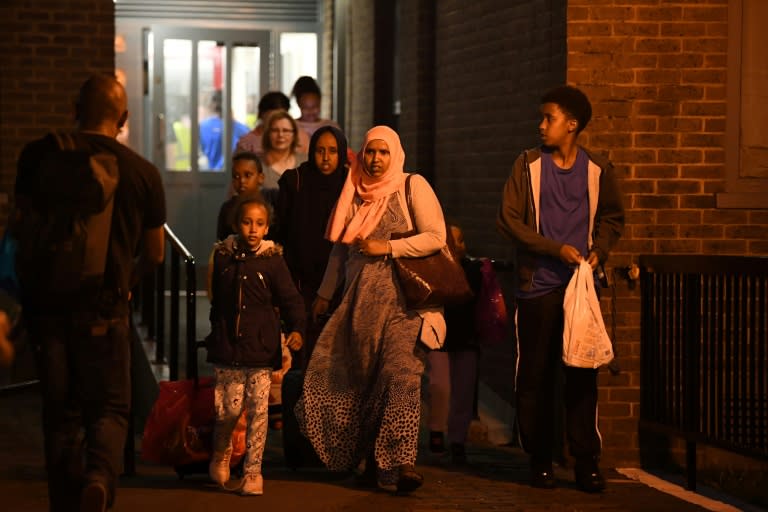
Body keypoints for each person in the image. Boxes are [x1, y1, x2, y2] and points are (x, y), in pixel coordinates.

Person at [13, 74, 166, 512]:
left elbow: (17, 229)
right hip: (105, 308)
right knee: (112, 408)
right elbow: (155, 254)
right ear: (124, 118)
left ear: (73, 108)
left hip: (48, 309)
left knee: (60, 413)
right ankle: (99, 476)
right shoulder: (142, 172)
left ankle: (64, 498)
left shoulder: (39, 156)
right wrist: (126, 283)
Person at [295, 125, 447, 493]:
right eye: (370, 153)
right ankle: (370, 461)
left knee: (401, 375)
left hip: (404, 307)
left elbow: (435, 237)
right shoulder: (354, 192)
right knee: (363, 384)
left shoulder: (413, 185)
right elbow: (339, 249)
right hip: (359, 306)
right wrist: (325, 295)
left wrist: (388, 248)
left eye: (383, 153)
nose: (376, 160)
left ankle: (401, 463)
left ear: (395, 154)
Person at [496, 85, 625, 493]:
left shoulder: (598, 168)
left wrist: (599, 252)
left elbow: (612, 218)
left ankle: (586, 461)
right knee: (535, 377)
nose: (541, 125)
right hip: (538, 287)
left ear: (572, 125)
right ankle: (540, 459)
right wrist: (555, 249)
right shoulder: (527, 166)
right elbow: (509, 220)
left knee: (582, 375)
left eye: (548, 118)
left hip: (580, 291)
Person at [205, 195, 305, 496]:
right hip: (229, 349)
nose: (253, 229)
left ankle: (253, 472)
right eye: (247, 222)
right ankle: (221, 452)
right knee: (228, 412)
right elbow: (217, 299)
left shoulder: (272, 259)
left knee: (259, 412)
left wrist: (297, 328)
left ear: (267, 227)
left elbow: (289, 298)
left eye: (259, 224)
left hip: (261, 349)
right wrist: (218, 331)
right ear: (237, 224)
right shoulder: (224, 256)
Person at [275, 125, 349, 365]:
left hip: (339, 280)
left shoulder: (350, 184)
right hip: (298, 279)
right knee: (299, 348)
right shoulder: (294, 181)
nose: (326, 157)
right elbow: (280, 232)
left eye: (332, 151)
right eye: (320, 150)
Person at [425, 222, 483, 465]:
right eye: (453, 240)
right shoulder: (433, 266)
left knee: (464, 390)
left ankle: (458, 440)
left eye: (460, 240)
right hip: (439, 337)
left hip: (466, 337)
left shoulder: (473, 269)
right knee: (439, 384)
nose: (458, 245)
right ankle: (437, 430)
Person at [235, 91, 310, 156]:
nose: (280, 135)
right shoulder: (246, 143)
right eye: (271, 118)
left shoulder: (301, 137)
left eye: (280, 117)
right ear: (262, 115)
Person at [258, 111, 307, 208]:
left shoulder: (305, 161)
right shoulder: (256, 164)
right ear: (268, 134)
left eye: (286, 130)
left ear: (294, 134)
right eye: (275, 130)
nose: (280, 135)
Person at [215, 151, 264, 241]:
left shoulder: (272, 199)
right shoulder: (227, 208)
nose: (242, 181)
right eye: (236, 176)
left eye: (248, 175)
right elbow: (221, 242)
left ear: (261, 178)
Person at [199, 89, 251, 170]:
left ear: (211, 105)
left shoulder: (203, 126)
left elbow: (200, 152)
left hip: (208, 176)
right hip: (232, 176)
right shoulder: (240, 128)